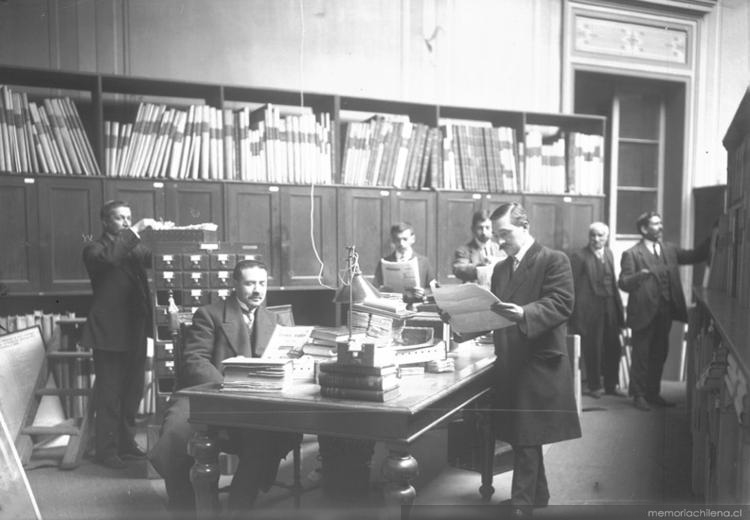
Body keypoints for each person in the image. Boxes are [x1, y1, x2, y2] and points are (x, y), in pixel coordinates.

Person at [150, 260, 301, 515]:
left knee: (266, 438)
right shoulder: (210, 314)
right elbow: (195, 361)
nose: (257, 290)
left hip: (258, 402)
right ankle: (187, 508)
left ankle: (238, 509)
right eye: (250, 283)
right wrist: (230, 387)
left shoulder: (275, 321)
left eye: (262, 283)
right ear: (234, 284)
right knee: (176, 436)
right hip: (208, 394)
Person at [81, 200, 156, 470]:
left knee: (132, 392)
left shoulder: (132, 248)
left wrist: (167, 237)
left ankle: (126, 444)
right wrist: (135, 230)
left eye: (129, 217)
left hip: (135, 329)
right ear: (105, 221)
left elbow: (156, 257)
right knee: (110, 395)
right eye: (120, 218)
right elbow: (113, 256)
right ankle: (106, 450)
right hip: (109, 333)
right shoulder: (95, 249)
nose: (125, 222)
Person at [618, 211, 709, 411]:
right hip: (643, 313)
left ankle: (652, 393)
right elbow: (623, 283)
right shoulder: (633, 254)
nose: (660, 227)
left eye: (660, 223)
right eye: (655, 224)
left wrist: (714, 234)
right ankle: (638, 395)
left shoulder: (669, 250)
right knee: (641, 355)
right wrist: (638, 277)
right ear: (644, 229)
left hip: (665, 311)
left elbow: (695, 255)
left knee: (660, 353)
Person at [569, 222, 626, 398]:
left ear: (606, 238)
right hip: (589, 311)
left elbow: (614, 283)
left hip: (609, 307)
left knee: (613, 347)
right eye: (593, 235)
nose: (596, 239)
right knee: (593, 348)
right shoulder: (579, 257)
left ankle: (611, 385)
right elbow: (573, 288)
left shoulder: (609, 253)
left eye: (600, 235)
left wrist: (619, 312)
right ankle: (594, 386)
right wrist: (576, 316)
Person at [374, 222, 436, 302]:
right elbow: (374, 288)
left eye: (405, 239)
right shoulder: (384, 262)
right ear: (393, 240)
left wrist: (423, 292)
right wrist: (381, 290)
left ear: (412, 239)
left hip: (417, 308)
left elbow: (433, 288)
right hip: (392, 308)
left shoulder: (423, 262)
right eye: (397, 240)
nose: (401, 244)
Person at [452, 209, 506, 286]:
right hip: (474, 293)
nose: (484, 232)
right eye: (480, 228)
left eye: (487, 227)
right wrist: (481, 266)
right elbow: (459, 270)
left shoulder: (501, 249)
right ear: (473, 229)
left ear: (492, 229)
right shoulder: (463, 251)